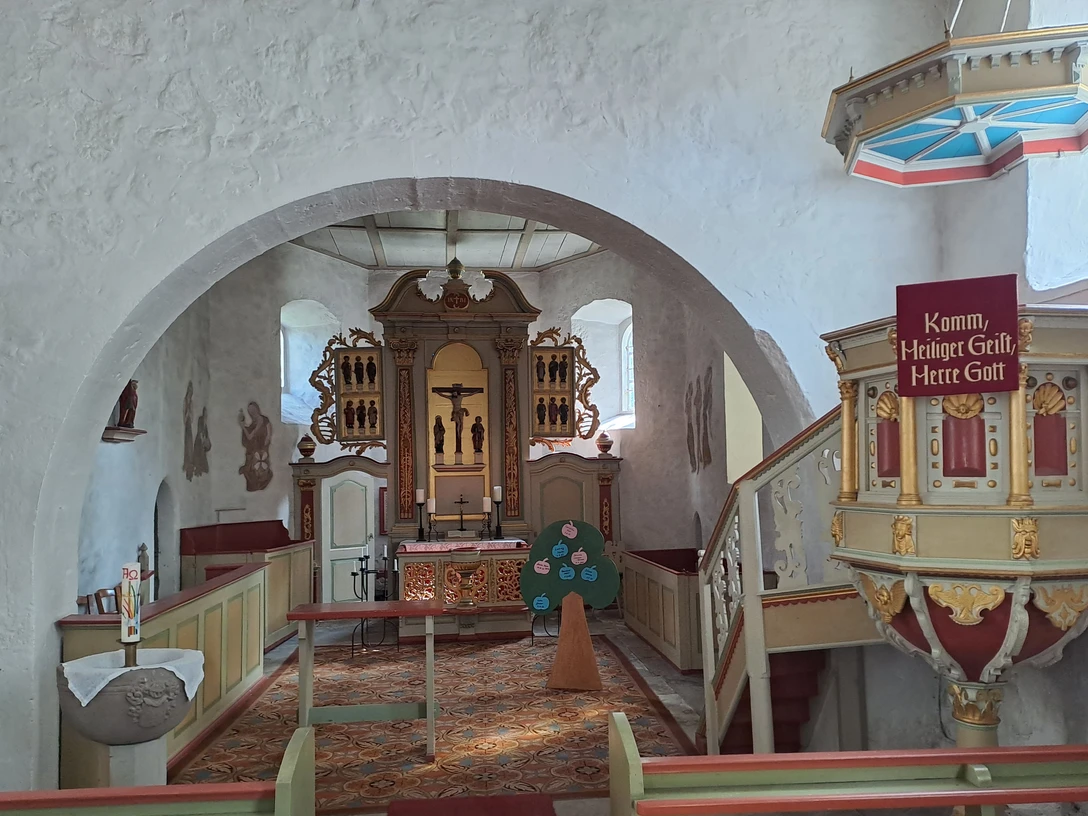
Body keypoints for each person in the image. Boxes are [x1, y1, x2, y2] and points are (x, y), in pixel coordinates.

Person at [238, 401, 273, 491]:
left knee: (256, 468)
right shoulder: (255, 422)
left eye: (253, 409)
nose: (251, 412)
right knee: (251, 469)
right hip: (254, 449)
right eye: (249, 410)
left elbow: (250, 437)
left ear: (257, 409)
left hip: (259, 450)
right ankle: (254, 485)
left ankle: (259, 484)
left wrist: (243, 427)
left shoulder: (261, 420)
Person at [193, 407, 212, 476]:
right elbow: (200, 432)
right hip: (199, 442)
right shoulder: (201, 420)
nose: (206, 416)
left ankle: (201, 467)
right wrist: (203, 440)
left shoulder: (205, 424)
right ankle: (198, 468)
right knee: (200, 454)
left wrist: (207, 441)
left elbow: (206, 435)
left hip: (202, 443)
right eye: (205, 414)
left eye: (206, 415)